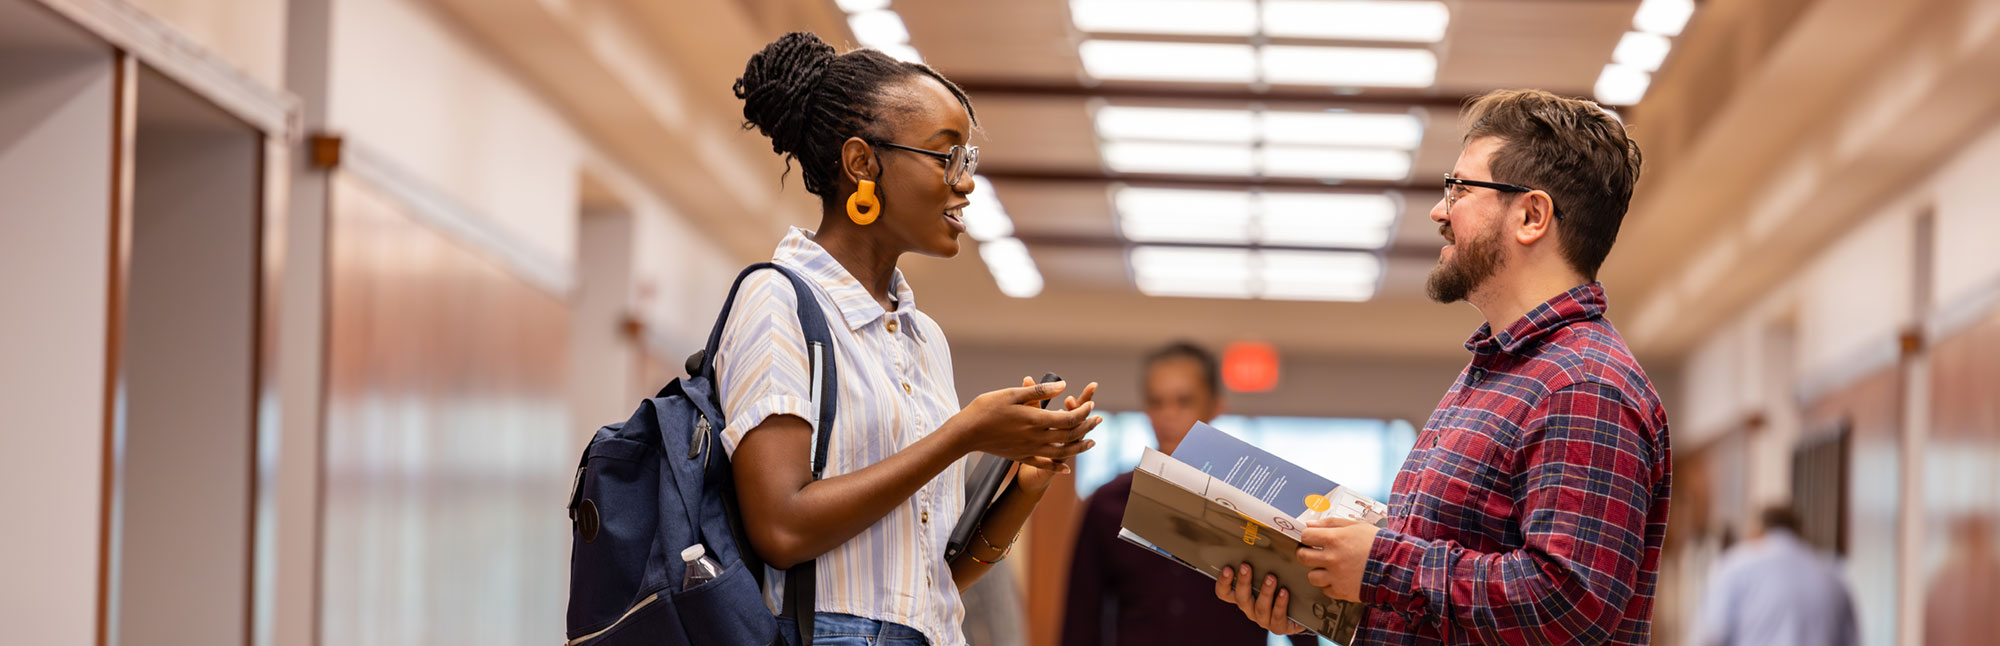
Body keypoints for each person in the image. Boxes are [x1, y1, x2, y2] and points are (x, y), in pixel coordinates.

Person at [1217, 88, 1672, 646]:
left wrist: (1378, 566)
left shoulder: (1583, 385)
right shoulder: (1497, 373)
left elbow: (1567, 601)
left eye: (1459, 188)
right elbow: (1438, 605)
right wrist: (1322, 595)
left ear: (1531, 215)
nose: (1440, 210)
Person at [720, 32, 1103, 646]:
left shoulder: (925, 338)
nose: (966, 182)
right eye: (946, 156)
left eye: (968, 161)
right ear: (862, 164)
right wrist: (961, 436)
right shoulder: (777, 300)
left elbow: (936, 581)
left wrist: (1023, 489)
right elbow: (781, 527)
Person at [1062, 342, 1315, 646]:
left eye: (1184, 401)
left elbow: (1296, 613)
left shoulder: (1257, 505)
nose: (1168, 414)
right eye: (1157, 402)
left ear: (1216, 406)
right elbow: (1081, 619)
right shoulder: (1108, 504)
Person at [1695, 506, 1857, 646]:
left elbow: (1712, 635)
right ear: (1801, 532)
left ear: (1756, 531)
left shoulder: (1734, 567)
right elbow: (1850, 640)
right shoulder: (1832, 575)